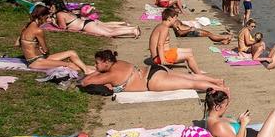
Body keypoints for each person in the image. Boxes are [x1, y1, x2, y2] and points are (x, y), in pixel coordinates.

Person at [81, 50, 228, 93]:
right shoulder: (120, 63)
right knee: (191, 77)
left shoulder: (111, 75)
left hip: (153, 81)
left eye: (97, 63)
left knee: (190, 84)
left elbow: (85, 82)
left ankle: (220, 88)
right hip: (155, 70)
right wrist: (99, 70)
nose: (95, 65)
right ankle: (216, 80)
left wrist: (96, 71)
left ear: (107, 62)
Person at [18, 6, 93, 74]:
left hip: (37, 59)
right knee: (67, 64)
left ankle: (90, 69)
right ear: (42, 16)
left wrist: (32, 47)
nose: (47, 19)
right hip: (35, 62)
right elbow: (46, 50)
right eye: (47, 17)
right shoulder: (38, 31)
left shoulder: (25, 28)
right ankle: (89, 70)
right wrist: (39, 49)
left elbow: (17, 44)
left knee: (71, 53)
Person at [148, 8, 204, 74]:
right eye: (175, 18)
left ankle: (196, 70)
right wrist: (163, 61)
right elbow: (160, 45)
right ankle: (199, 75)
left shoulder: (161, 26)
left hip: (162, 54)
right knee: (189, 56)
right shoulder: (164, 28)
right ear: (169, 18)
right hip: (160, 58)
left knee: (189, 51)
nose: (176, 20)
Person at [51, 0, 140, 38]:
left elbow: (62, 27)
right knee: (110, 29)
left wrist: (53, 23)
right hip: (87, 23)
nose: (51, 8)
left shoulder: (59, 14)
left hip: (86, 26)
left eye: (52, 6)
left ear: (56, 6)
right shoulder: (66, 12)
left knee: (109, 33)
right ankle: (132, 28)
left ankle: (132, 31)